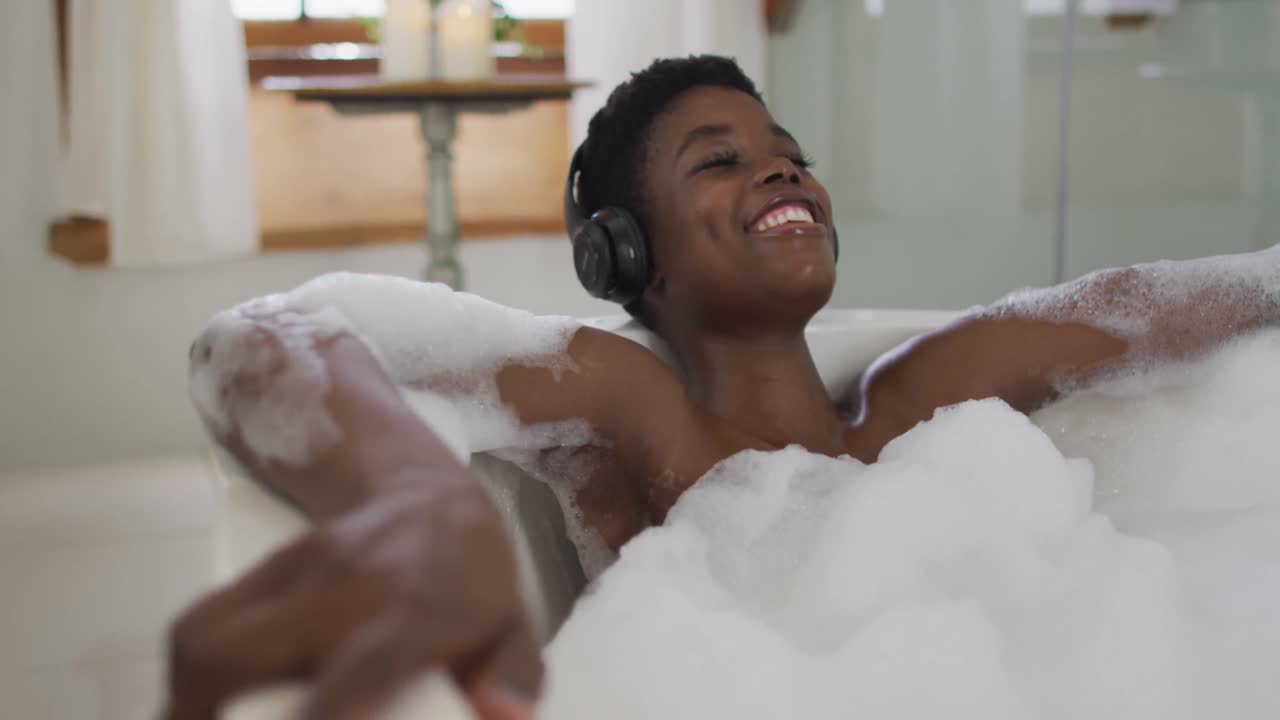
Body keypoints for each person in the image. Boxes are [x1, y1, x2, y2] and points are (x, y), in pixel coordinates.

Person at [162, 55, 1278, 720]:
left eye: (783, 149)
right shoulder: (641, 416)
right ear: (624, 256)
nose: (777, 168)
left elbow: (1161, 300)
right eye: (717, 160)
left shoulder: (916, 399)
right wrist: (415, 499)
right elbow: (269, 334)